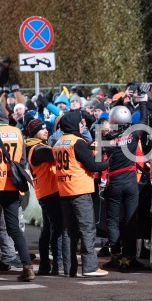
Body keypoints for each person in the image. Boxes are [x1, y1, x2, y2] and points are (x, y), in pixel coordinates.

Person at [53, 111, 109, 277]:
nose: (82, 125)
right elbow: (93, 166)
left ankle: (70, 268)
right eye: (80, 122)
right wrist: (108, 162)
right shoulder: (78, 142)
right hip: (80, 190)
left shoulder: (59, 142)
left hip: (64, 190)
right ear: (74, 124)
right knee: (87, 229)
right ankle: (90, 267)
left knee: (70, 232)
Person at [102, 84, 148, 272]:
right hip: (130, 181)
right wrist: (143, 100)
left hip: (114, 181)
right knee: (130, 219)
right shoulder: (133, 135)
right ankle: (129, 257)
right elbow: (144, 121)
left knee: (112, 221)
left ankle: (116, 256)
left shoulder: (106, 139)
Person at [0, 101, 34, 281]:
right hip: (12, 185)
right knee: (14, 229)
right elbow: (22, 160)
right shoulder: (17, 132)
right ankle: (27, 267)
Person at [26, 119, 65, 275]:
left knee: (48, 230)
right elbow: (54, 154)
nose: (46, 130)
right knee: (56, 229)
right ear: (34, 132)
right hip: (50, 193)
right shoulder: (37, 149)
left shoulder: (37, 147)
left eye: (45, 128)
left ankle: (44, 265)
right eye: (41, 129)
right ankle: (56, 263)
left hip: (46, 193)